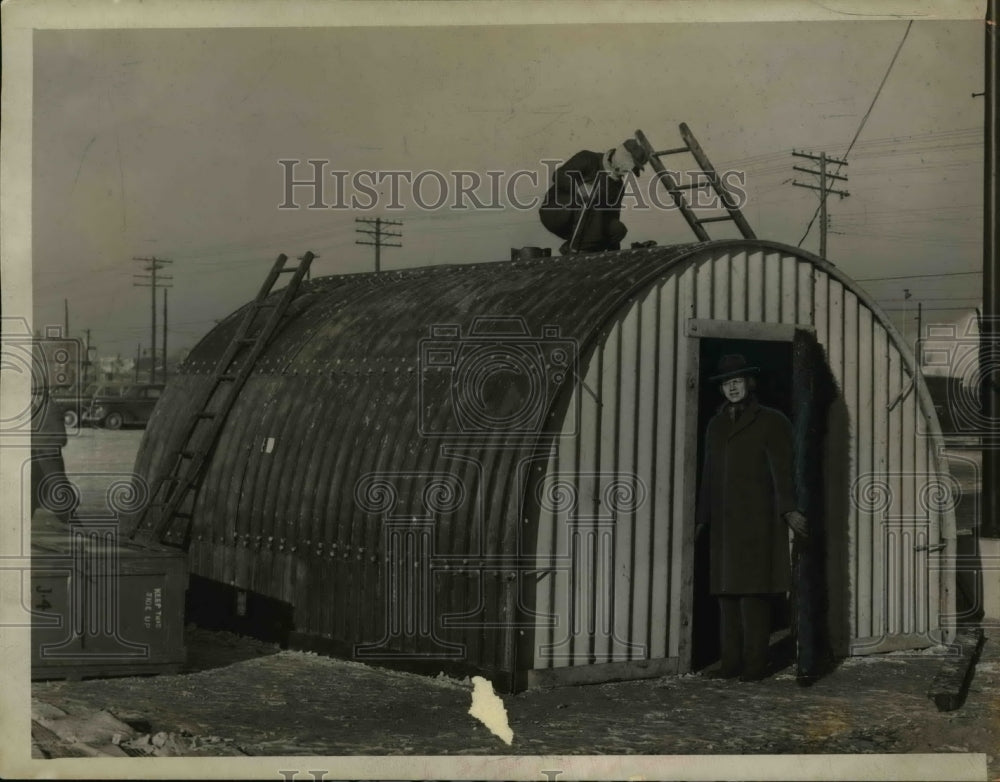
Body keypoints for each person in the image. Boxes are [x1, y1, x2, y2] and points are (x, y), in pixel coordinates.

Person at [695, 354, 808, 682]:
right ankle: (730, 663)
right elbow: (708, 474)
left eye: (738, 381)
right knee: (726, 594)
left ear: (750, 383)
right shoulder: (715, 425)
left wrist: (787, 509)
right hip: (724, 525)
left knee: (752, 594)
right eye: (726, 383)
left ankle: (755, 664)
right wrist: (702, 518)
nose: (732, 387)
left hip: (757, 521)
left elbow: (783, 471)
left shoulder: (772, 421)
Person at [539, 138, 649, 254]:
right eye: (631, 167)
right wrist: (580, 187)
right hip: (556, 212)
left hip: (584, 225)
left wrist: (614, 253)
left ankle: (578, 250)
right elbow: (559, 175)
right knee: (594, 198)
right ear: (622, 157)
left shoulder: (618, 186)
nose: (629, 172)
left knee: (618, 229)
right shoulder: (588, 158)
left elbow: (613, 216)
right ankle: (577, 249)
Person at [30, 381, 76, 524]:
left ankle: (70, 519)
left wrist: (45, 446)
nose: (33, 397)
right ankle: (26, 517)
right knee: (32, 487)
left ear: (41, 395)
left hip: (49, 457)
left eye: (35, 394)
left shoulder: (52, 409)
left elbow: (61, 438)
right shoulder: (35, 409)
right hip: (36, 456)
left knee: (57, 486)